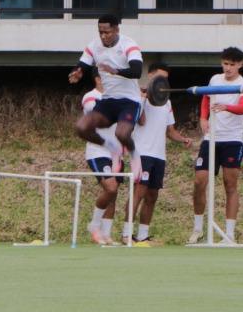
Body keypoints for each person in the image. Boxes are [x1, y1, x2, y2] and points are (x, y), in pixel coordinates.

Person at [122, 63, 193, 246]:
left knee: (152, 195)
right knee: (139, 191)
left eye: (165, 79)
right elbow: (141, 120)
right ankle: (126, 234)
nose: (162, 82)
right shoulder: (136, 96)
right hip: (142, 152)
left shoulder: (166, 101)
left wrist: (182, 139)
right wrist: (143, 98)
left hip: (159, 155)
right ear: (150, 75)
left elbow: (170, 130)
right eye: (159, 77)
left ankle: (142, 235)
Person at [69, 14, 144, 178]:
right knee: (81, 128)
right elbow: (82, 64)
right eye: (100, 32)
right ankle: (113, 148)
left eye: (107, 32)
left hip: (129, 101)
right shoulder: (94, 45)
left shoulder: (129, 44)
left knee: (122, 134)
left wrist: (115, 71)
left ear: (116, 29)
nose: (103, 36)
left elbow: (137, 71)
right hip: (108, 101)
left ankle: (134, 154)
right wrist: (77, 72)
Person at [189, 47, 243, 245]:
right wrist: (203, 118)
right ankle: (198, 229)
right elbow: (206, 98)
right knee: (200, 181)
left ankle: (229, 233)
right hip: (211, 138)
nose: (228, 68)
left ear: (240, 65)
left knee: (230, 184)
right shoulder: (215, 80)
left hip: (232, 140)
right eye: (225, 64)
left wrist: (227, 107)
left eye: (232, 64)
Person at [81, 75, 125, 246]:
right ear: (98, 79)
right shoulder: (91, 97)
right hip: (97, 152)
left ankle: (106, 235)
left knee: (113, 195)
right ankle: (94, 225)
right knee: (110, 188)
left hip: (115, 153)